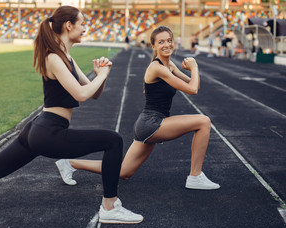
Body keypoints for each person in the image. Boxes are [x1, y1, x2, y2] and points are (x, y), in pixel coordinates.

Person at [0, 6, 143, 224]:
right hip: (49, 132)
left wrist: (100, 76)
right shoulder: (54, 59)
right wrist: (103, 73)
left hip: (40, 129)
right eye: (82, 23)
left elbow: (94, 93)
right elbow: (81, 94)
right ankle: (110, 206)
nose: (85, 28)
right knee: (113, 140)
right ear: (69, 25)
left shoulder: (66, 56)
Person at [55, 26, 220, 191]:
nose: (167, 45)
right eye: (161, 42)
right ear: (153, 46)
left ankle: (70, 163)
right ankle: (195, 176)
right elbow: (193, 89)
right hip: (152, 123)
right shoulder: (157, 68)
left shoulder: (170, 66)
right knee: (203, 122)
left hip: (148, 124)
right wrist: (195, 67)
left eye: (169, 41)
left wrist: (192, 70)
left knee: (124, 171)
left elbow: (193, 85)